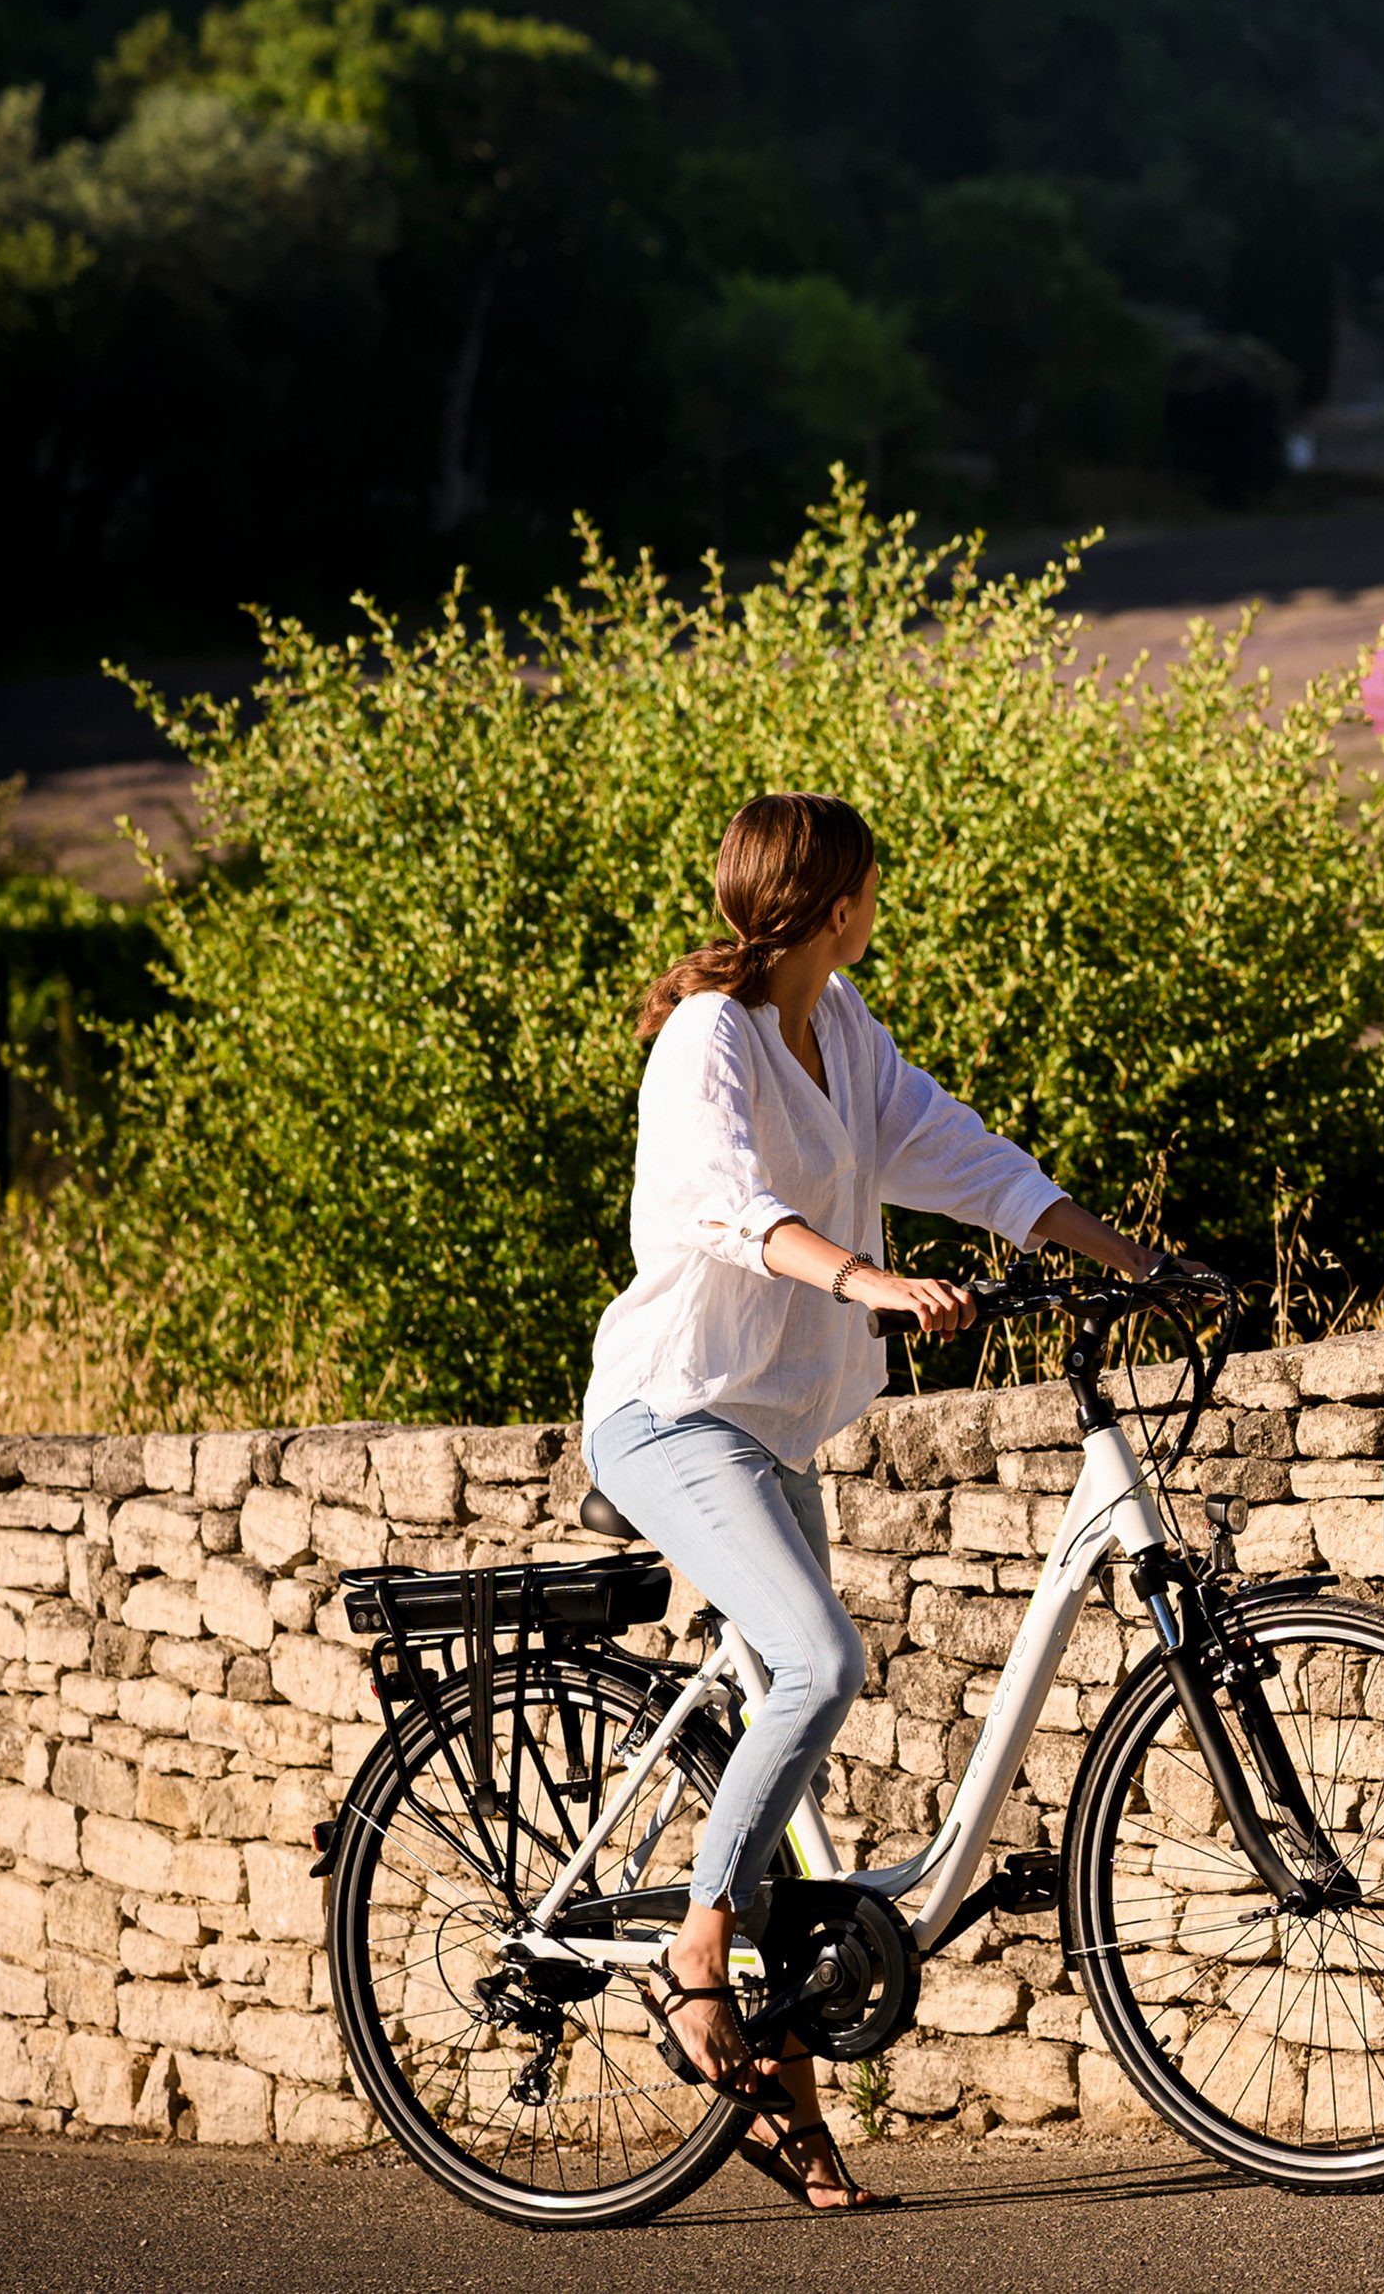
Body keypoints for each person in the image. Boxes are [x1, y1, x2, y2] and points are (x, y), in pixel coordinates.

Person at [583, 792, 1198, 2211]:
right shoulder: (708, 1042)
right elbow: (722, 1205)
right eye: (871, 886)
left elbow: (966, 1160)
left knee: (792, 1737)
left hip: (775, 1431)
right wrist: (870, 1283)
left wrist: (1136, 1262)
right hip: (672, 1415)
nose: (880, 905)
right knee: (821, 1663)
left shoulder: (839, 1025)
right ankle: (694, 1954)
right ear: (835, 899)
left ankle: (786, 2104)